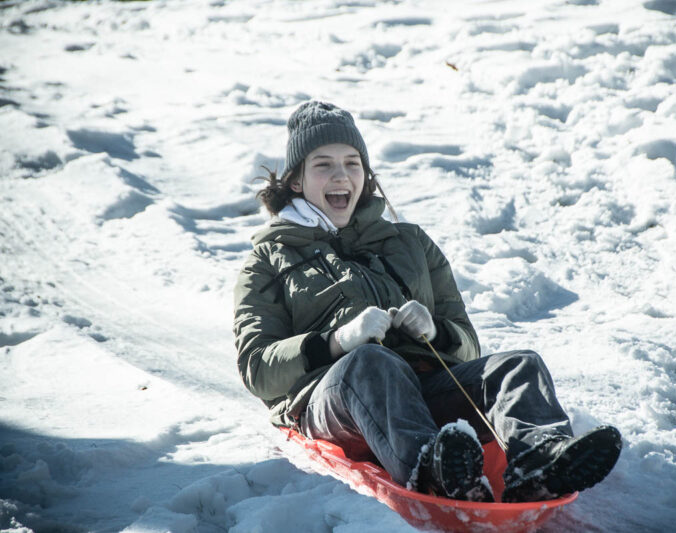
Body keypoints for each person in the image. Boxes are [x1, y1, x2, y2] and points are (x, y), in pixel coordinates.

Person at [234, 101, 622, 503]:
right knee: (370, 362)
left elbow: (468, 345)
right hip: (331, 403)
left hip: (420, 388)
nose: (341, 175)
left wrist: (435, 331)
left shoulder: (410, 242)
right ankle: (434, 468)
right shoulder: (268, 260)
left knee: (518, 365)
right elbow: (256, 369)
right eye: (323, 165)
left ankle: (540, 463)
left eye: (352, 163)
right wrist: (338, 342)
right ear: (296, 181)